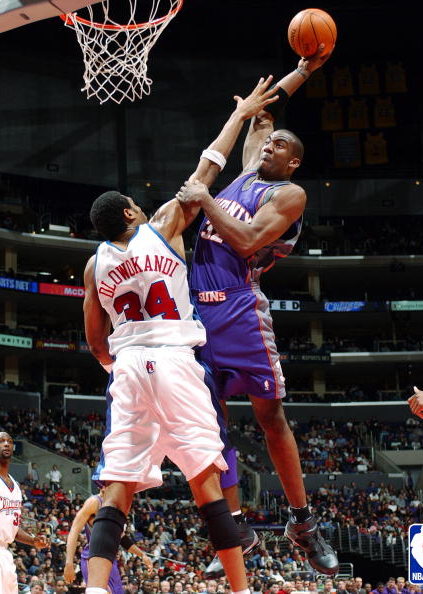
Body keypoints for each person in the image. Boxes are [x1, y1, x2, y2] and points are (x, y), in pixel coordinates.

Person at [81, 77, 280, 594]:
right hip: (174, 358)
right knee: (205, 480)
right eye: (134, 203)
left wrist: (118, 367)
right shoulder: (162, 226)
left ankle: (97, 589)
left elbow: (96, 341)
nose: (141, 206)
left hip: (127, 368)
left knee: (117, 486)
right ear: (129, 213)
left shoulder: (94, 264)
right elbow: (209, 167)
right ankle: (241, 589)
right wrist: (242, 115)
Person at [177, 47, 338, 577]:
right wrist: (301, 72)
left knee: (270, 418)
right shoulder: (247, 167)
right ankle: (238, 525)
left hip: (241, 311)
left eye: (281, 146)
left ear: (293, 162)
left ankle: (303, 521)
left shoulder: (289, 193)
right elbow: (262, 112)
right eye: (268, 141)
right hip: (198, 315)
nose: (270, 144)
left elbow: (245, 241)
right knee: (211, 427)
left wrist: (204, 195)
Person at [0, 432, 49, 593]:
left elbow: (11, 528)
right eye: (0, 441)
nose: (6, 444)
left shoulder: (15, 485)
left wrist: (33, 541)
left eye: (9, 441)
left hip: (5, 553)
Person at [64, 487, 153, 593]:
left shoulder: (116, 506)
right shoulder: (94, 502)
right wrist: (69, 562)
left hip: (110, 559)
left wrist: (142, 555)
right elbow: (74, 530)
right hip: (94, 557)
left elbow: (123, 538)